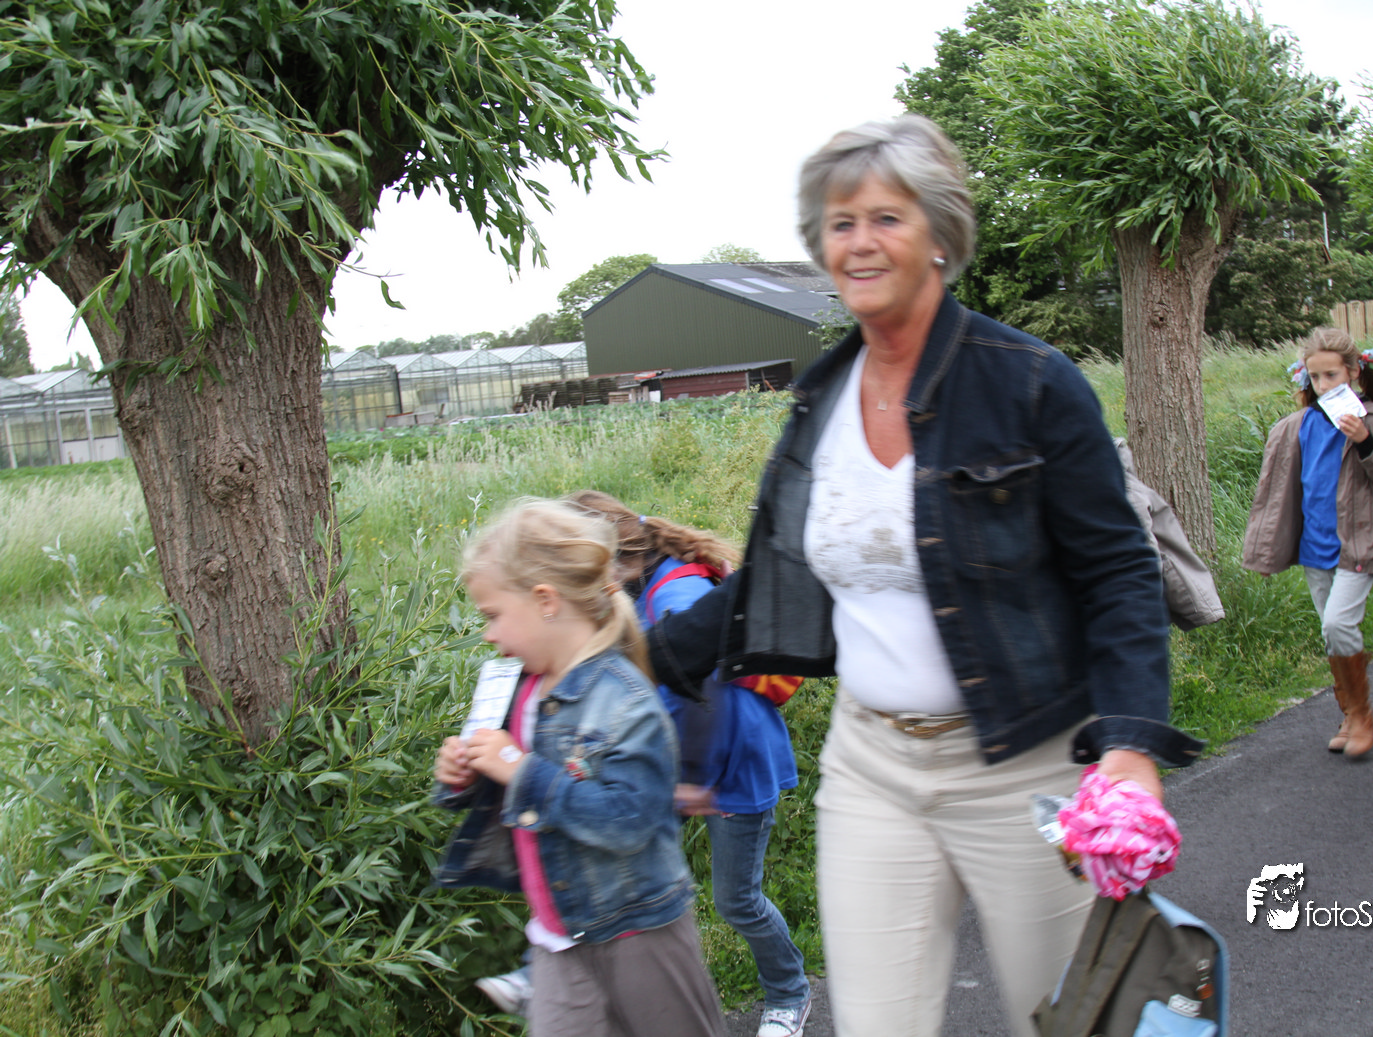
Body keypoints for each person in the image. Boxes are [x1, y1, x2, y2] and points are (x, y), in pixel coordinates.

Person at [644, 114, 1202, 1037]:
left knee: (1067, 1022)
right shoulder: (820, 398)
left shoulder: (1031, 382)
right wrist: (630, 655)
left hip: (1026, 761)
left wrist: (1132, 747)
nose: (858, 241)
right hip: (870, 765)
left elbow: (1116, 572)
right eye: (839, 222)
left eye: (885, 217)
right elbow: (781, 574)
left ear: (939, 235)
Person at [430, 498, 726, 1037]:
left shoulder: (624, 700)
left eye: (493, 616)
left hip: (639, 931)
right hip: (557, 936)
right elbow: (504, 782)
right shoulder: (515, 686)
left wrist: (519, 771)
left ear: (546, 600)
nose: (488, 634)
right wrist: (464, 775)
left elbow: (629, 821)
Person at [566, 489, 812, 1037]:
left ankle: (789, 995)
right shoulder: (641, 584)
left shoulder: (678, 593)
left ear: (610, 557)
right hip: (682, 766)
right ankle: (572, 980)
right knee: (622, 871)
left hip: (732, 764)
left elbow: (706, 695)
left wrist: (694, 780)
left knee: (737, 900)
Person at [1243, 328, 1373, 757]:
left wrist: (1364, 441)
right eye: (1315, 377)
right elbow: (1276, 495)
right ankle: (1350, 713)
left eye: (1332, 375)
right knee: (1332, 632)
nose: (1323, 385)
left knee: (1337, 624)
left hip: (1360, 543)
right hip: (1314, 547)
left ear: (1353, 372)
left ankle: (1362, 716)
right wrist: (1266, 550)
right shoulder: (1296, 426)